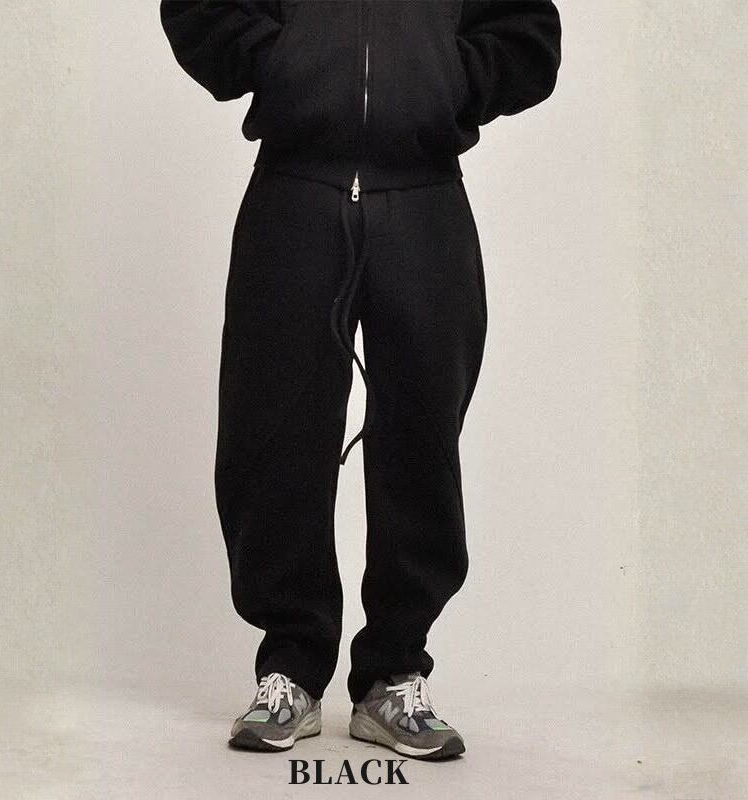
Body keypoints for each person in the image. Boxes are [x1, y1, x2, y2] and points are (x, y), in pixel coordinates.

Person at [160, 0, 561, 760]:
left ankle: (394, 673)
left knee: (422, 434)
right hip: (293, 190)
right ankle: (289, 668)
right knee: (273, 432)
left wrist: (451, 80)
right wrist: (284, 64)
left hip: (426, 197)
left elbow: (528, 33)